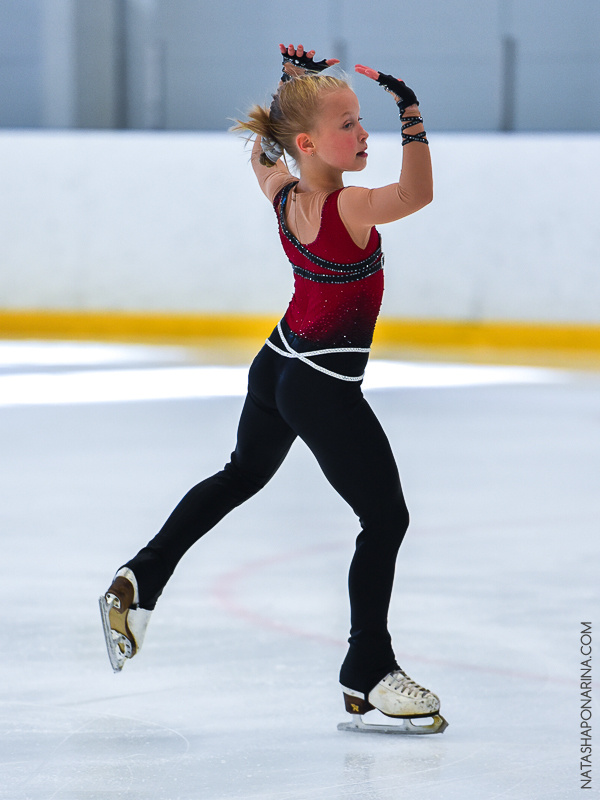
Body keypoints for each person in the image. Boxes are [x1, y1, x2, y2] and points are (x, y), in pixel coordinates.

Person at [100, 44, 447, 735]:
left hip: (277, 360)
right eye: (348, 123)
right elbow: (418, 195)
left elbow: (263, 158)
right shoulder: (350, 208)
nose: (363, 131)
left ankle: (140, 578)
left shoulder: (286, 193)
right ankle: (367, 670)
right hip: (319, 383)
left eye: (362, 119)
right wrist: (411, 115)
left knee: (240, 474)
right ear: (311, 142)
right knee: (385, 519)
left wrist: (288, 92)